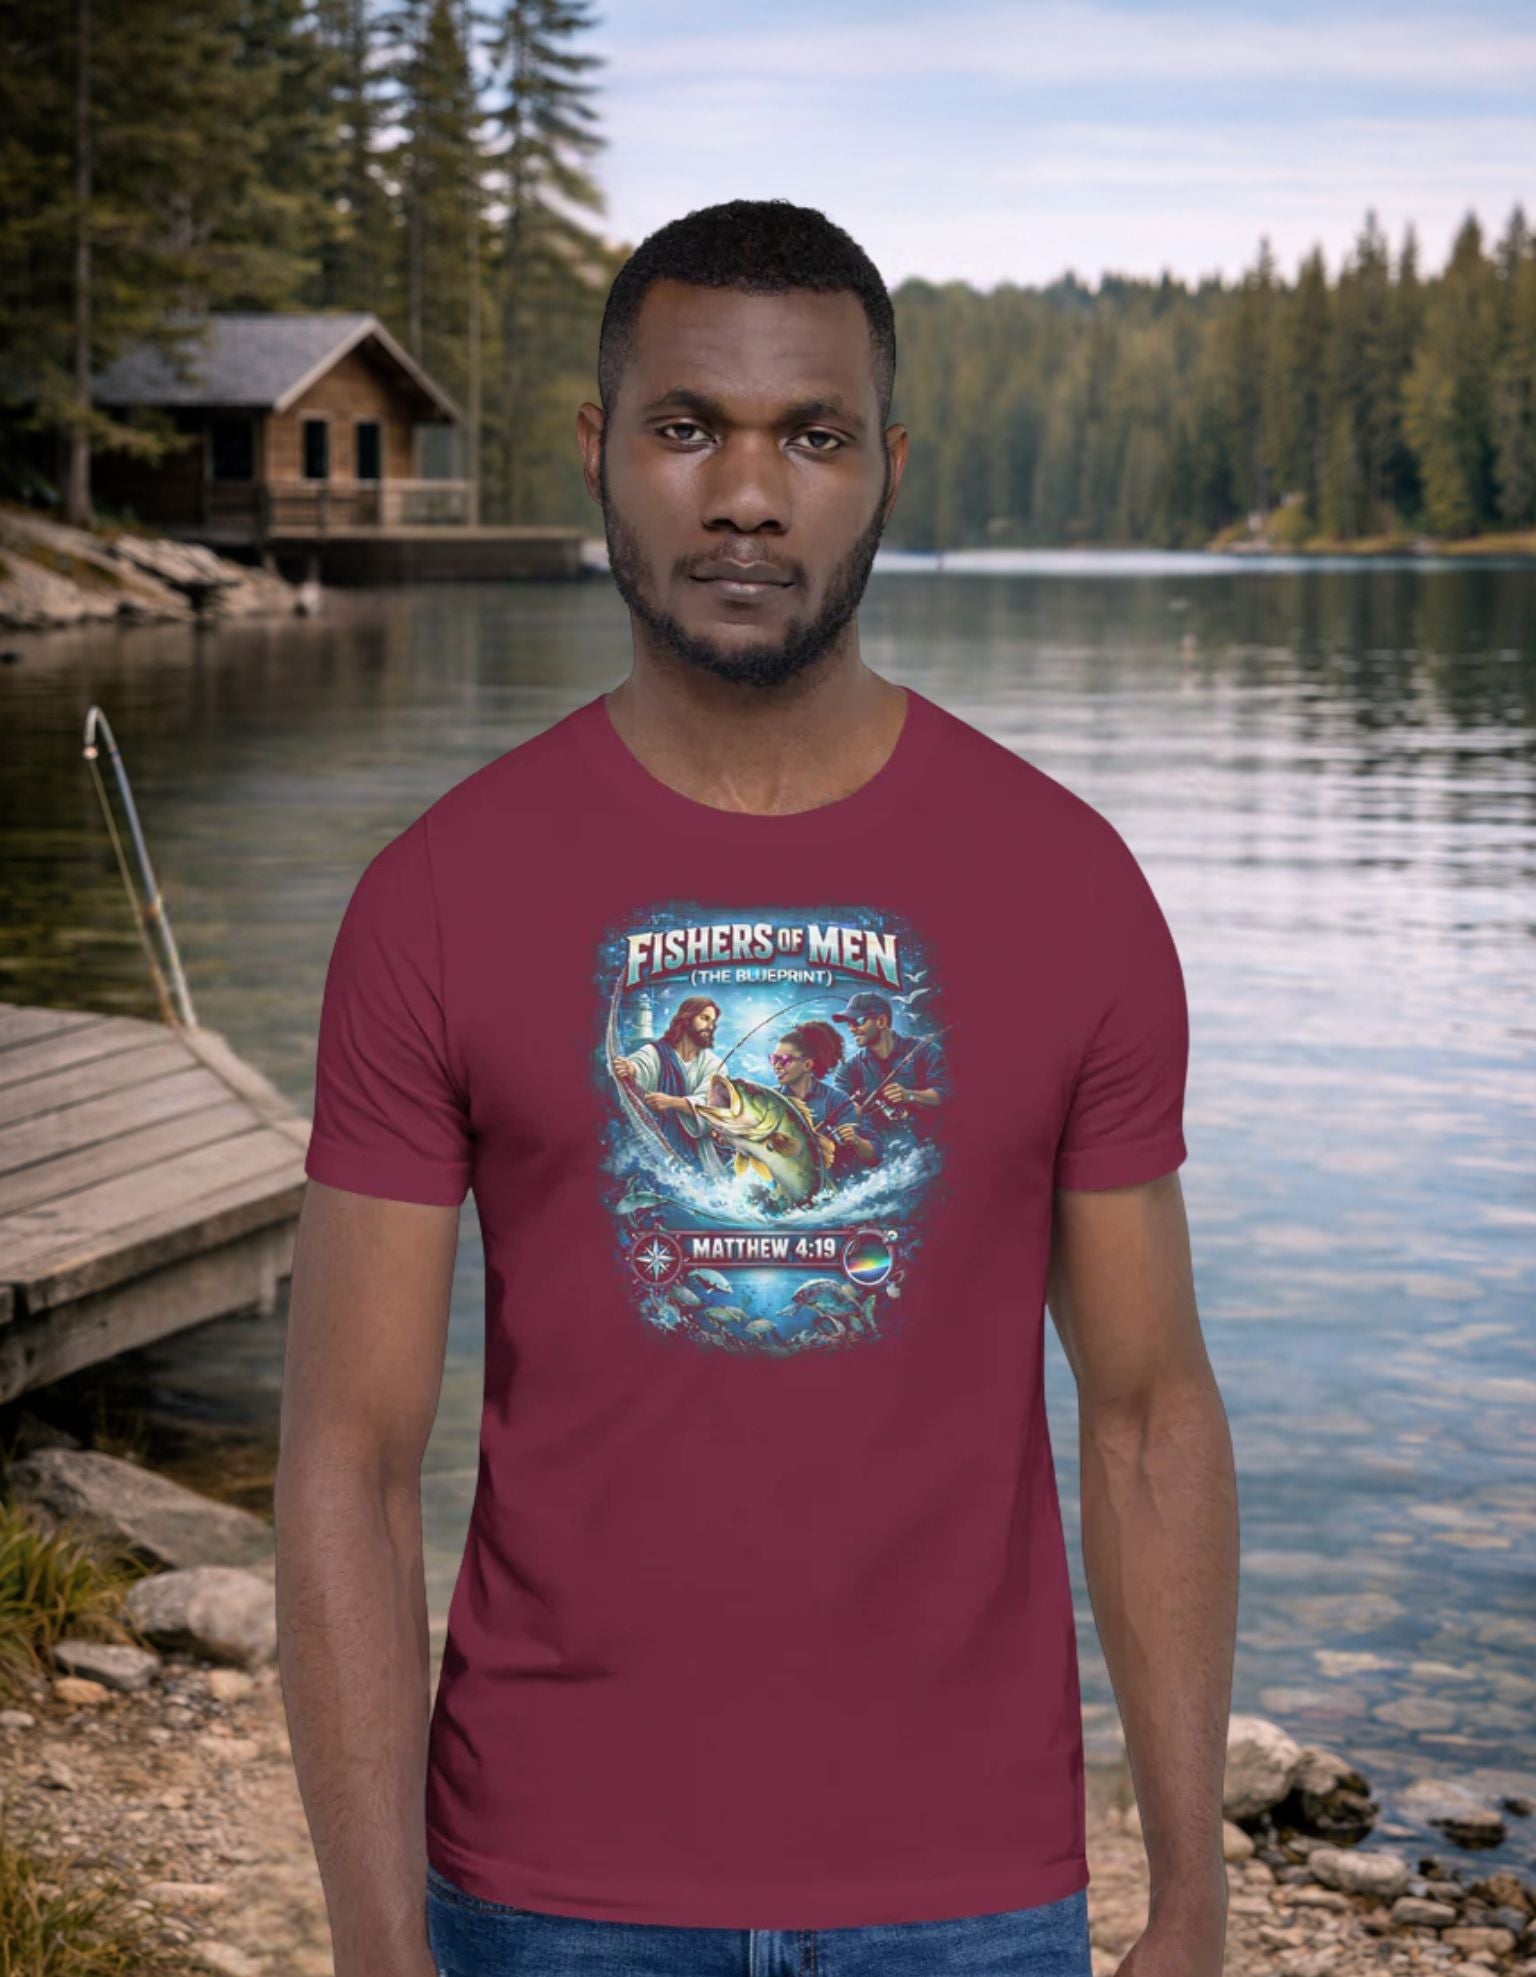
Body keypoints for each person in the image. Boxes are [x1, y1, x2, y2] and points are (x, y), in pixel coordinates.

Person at [278, 199, 1237, 1977]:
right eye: (684, 426)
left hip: (971, 1895)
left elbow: (1148, 1410)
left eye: (808, 435)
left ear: (886, 464)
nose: (744, 494)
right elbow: (345, 1449)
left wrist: (1192, 1891)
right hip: (545, 1884)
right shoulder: (438, 894)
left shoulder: (1066, 883)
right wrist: (373, 1937)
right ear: (598, 452)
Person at [612, 994, 728, 1176]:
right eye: (704, 1018)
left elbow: (711, 1105)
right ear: (687, 1019)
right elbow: (642, 1065)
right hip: (657, 1145)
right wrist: (630, 1068)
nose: (710, 1026)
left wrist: (672, 1102)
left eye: (712, 1021)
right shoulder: (656, 1051)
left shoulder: (715, 1065)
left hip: (698, 1154)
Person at [768, 1017, 879, 1180]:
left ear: (807, 1065)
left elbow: (874, 1156)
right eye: (773, 1059)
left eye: (784, 1060)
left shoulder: (838, 1101)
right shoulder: (770, 1099)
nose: (776, 1066)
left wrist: (855, 1140)